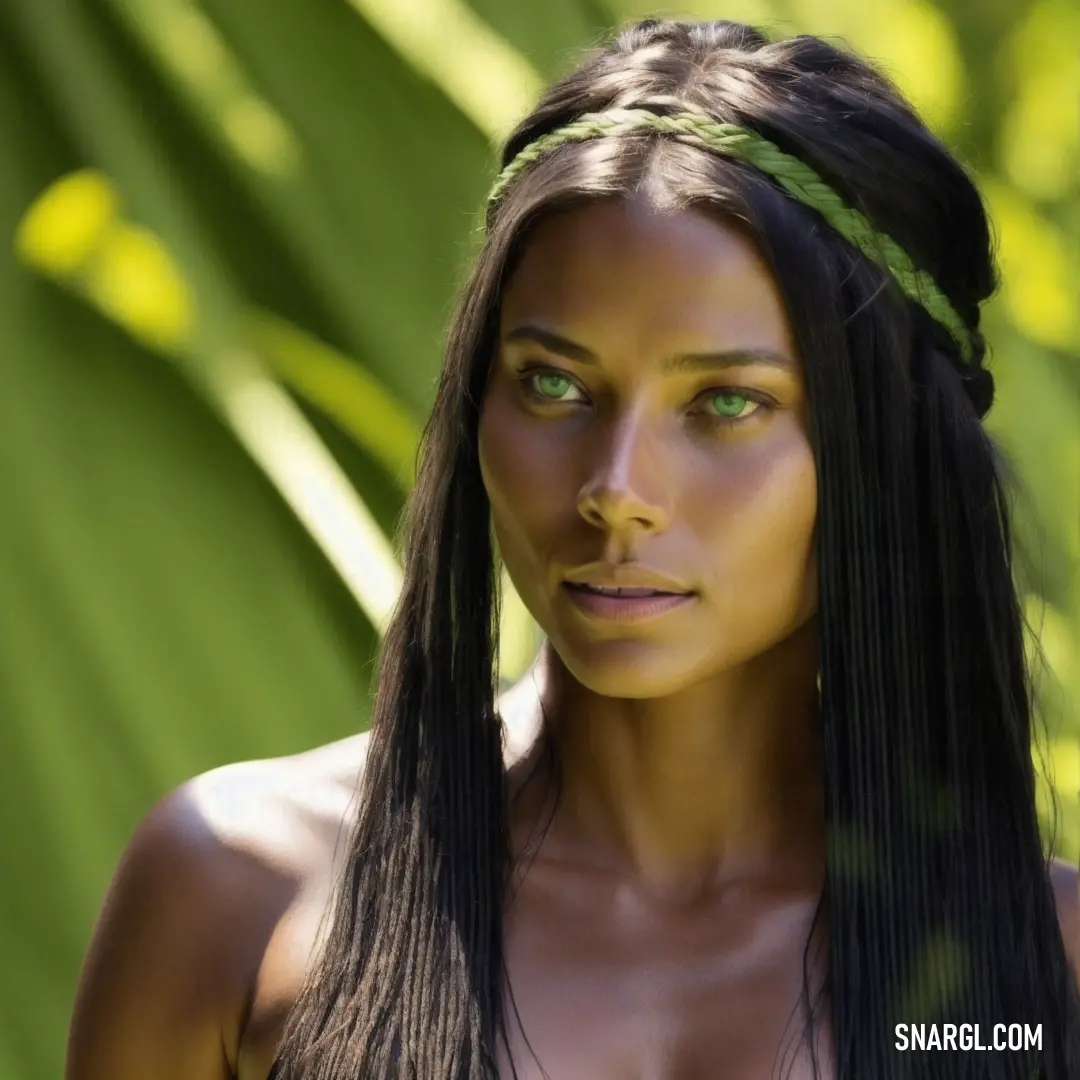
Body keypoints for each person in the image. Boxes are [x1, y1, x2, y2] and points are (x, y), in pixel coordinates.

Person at [66, 17, 1080, 1080]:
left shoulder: (1030, 985)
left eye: (726, 402)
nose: (616, 491)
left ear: (888, 449)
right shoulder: (238, 889)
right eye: (554, 385)